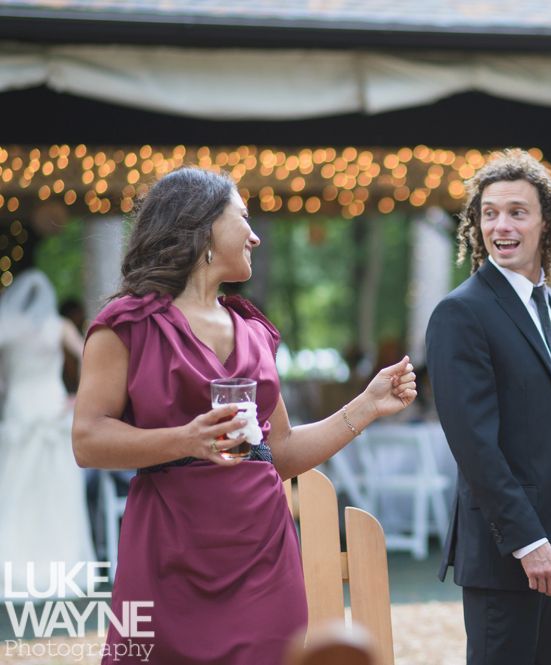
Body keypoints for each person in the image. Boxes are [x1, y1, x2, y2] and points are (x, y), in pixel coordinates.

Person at [72, 167, 417, 664]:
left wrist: (368, 405)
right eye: (244, 219)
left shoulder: (255, 333)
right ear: (204, 226)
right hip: (167, 548)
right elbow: (87, 440)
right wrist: (185, 440)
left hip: (263, 553)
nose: (255, 235)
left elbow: (280, 454)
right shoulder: (126, 324)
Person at [425, 149, 551, 665]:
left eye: (517, 211)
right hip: (510, 546)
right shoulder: (460, 313)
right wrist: (526, 541)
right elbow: (474, 445)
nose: (502, 225)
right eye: (490, 212)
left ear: (547, 223)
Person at [0, 268, 95, 598]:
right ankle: (63, 565)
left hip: (20, 409)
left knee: (17, 492)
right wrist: (80, 397)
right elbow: (90, 356)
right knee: (56, 493)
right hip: (53, 407)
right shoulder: (58, 327)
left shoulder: (7, 330)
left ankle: (14, 567)